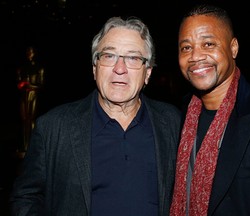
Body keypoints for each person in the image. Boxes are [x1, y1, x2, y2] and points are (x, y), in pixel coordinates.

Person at [10, 16, 181, 216]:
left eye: (133, 58)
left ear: (148, 73)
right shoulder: (53, 126)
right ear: (94, 68)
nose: (119, 69)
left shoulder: (173, 122)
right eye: (109, 56)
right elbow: (26, 197)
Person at [169, 4, 250, 216]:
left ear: (233, 48)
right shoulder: (178, 118)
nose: (196, 56)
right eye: (186, 47)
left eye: (208, 43)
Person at [16, 46, 45, 155]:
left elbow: (40, 85)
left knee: (31, 119)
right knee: (24, 120)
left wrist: (30, 84)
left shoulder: (38, 68)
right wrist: (22, 83)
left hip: (33, 96)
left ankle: (31, 146)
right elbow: (18, 84)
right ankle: (23, 145)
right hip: (23, 96)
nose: (29, 54)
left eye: (31, 52)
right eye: (27, 52)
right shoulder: (22, 68)